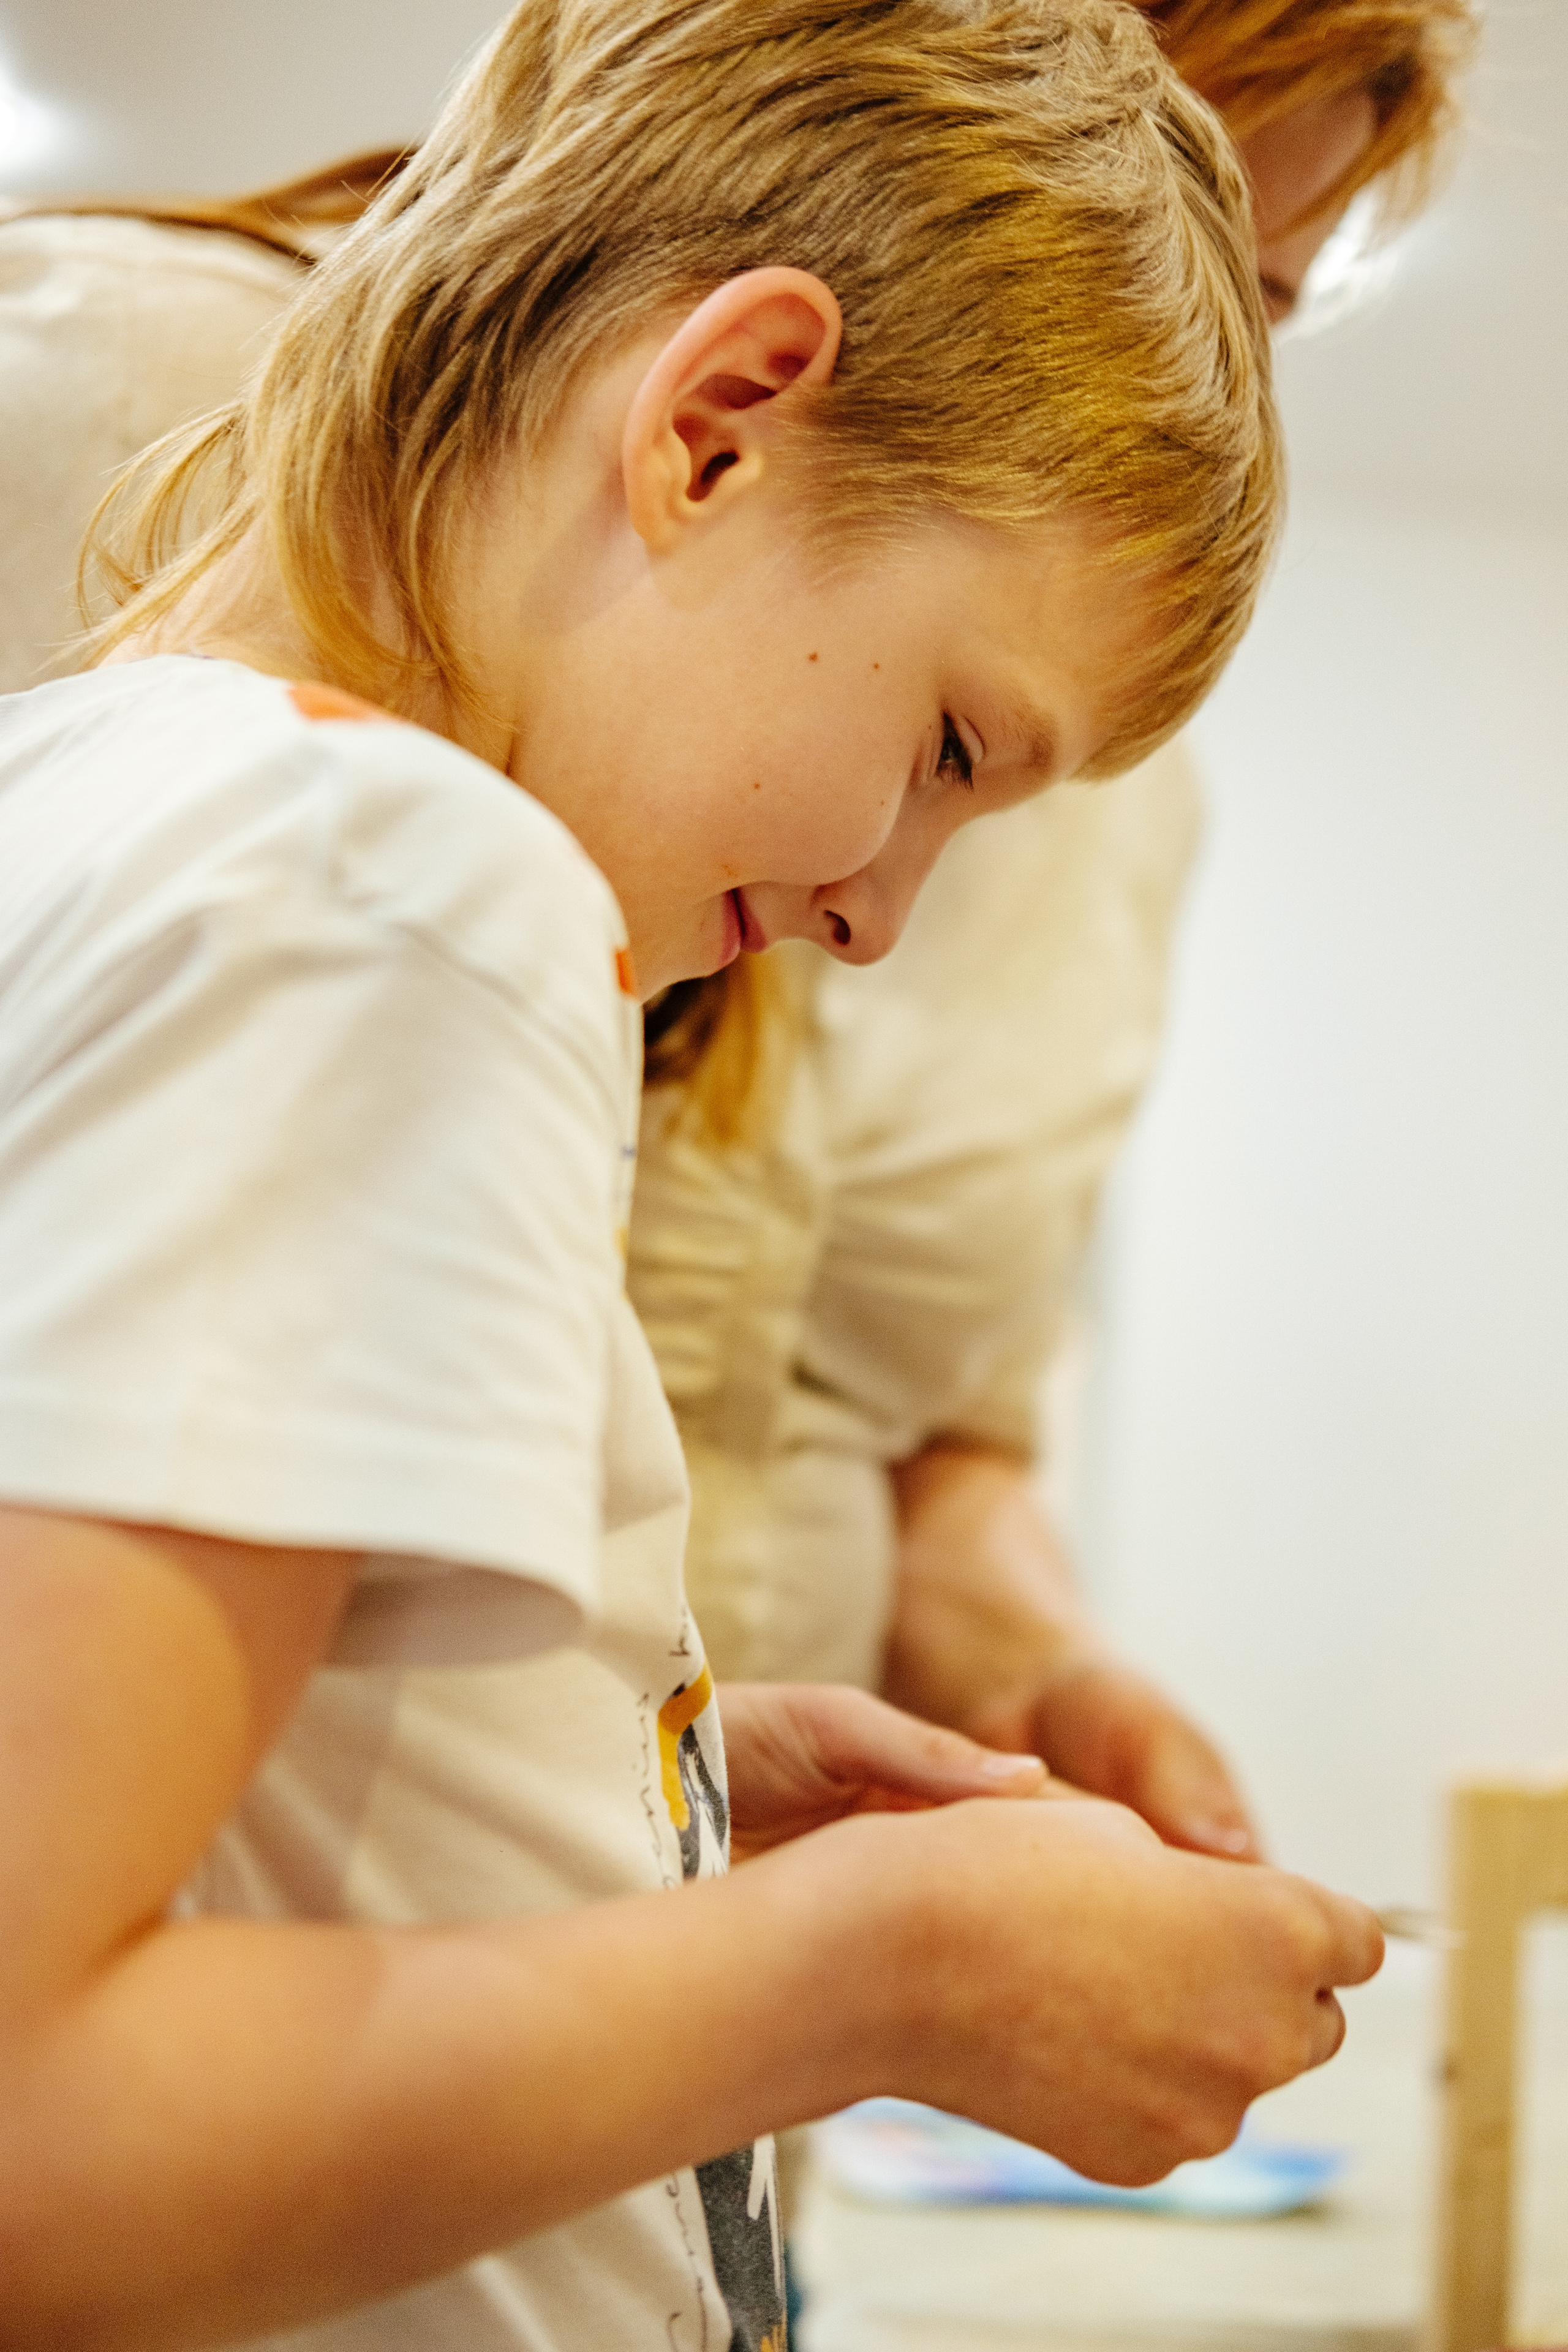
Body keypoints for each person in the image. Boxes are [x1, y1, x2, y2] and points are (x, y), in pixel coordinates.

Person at [0, 5, 1381, 2350]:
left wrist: (662, 1791)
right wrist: (867, 1980)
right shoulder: (410, 887)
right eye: (951, 744)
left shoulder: (113, 784)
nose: (878, 917)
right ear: (720, 422)